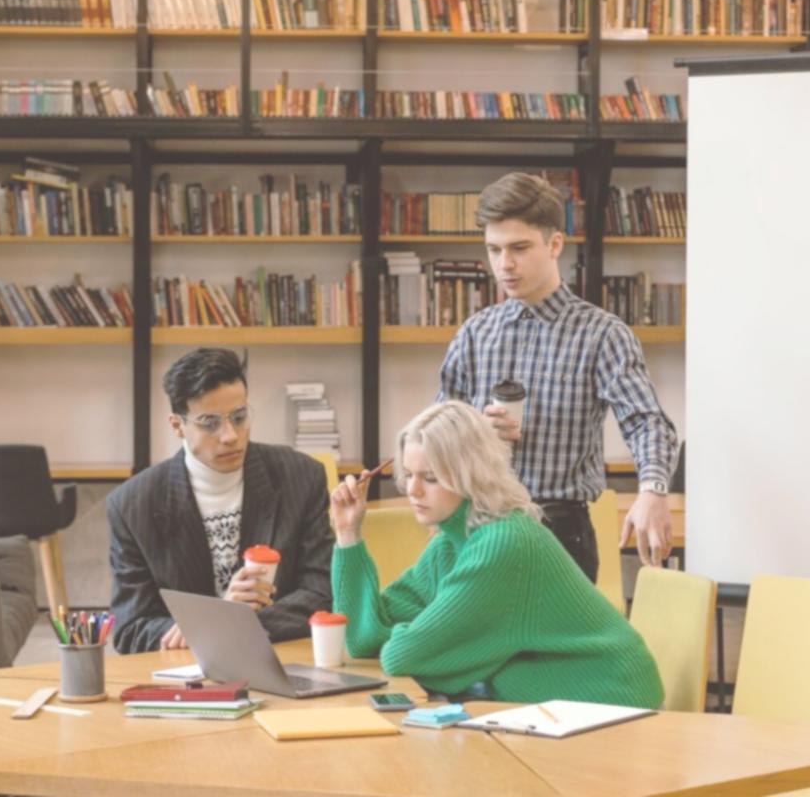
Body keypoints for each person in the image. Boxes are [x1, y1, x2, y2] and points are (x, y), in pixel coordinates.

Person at [330, 400, 663, 707]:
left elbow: (401, 655)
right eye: (409, 475)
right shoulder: (451, 541)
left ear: (469, 475)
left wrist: (427, 638)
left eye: (430, 478)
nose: (413, 490)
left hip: (610, 700)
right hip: (550, 706)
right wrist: (348, 534)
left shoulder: (501, 544)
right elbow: (362, 637)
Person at [438, 172, 679, 582]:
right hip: (478, 526)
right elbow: (439, 433)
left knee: (556, 650)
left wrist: (652, 491)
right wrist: (476, 431)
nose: (504, 264)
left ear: (554, 245)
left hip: (560, 532)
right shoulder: (475, 333)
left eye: (519, 248)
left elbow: (647, 421)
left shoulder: (602, 333)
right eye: (493, 250)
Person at [107, 348, 334, 654]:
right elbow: (131, 629)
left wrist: (227, 626)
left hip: (281, 655)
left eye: (239, 417)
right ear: (177, 425)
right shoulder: (133, 506)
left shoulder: (302, 477)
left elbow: (322, 594)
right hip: (187, 673)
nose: (230, 436)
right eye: (210, 423)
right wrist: (213, 623)